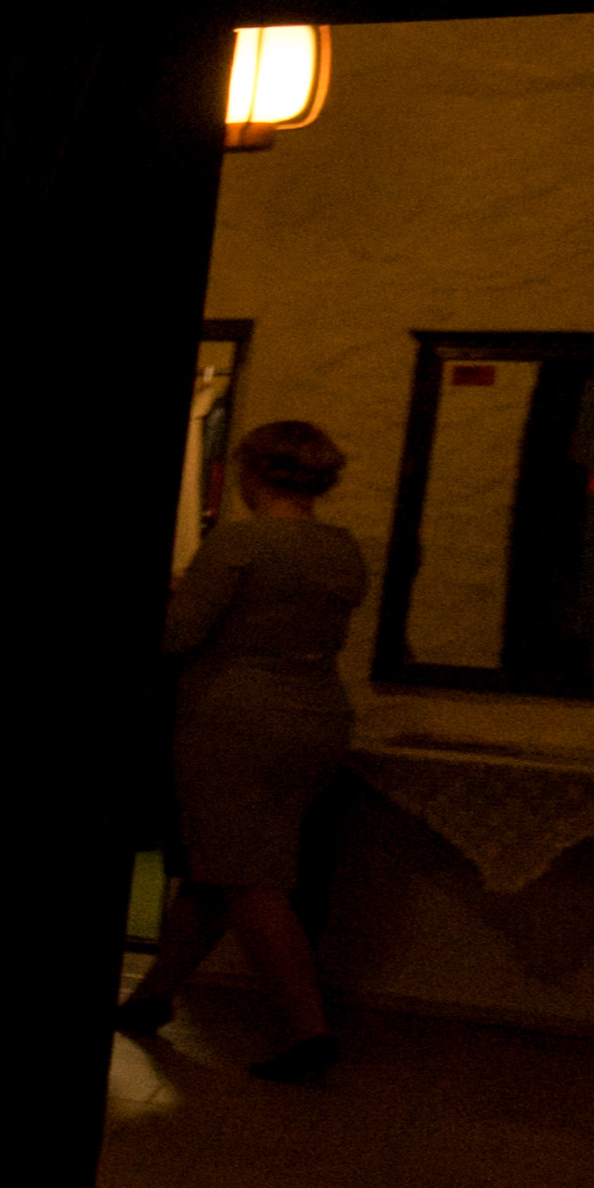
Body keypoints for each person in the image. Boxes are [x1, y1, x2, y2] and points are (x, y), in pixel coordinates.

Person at [120, 421, 369, 1081]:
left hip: (237, 718)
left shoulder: (240, 541)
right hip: (319, 714)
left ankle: (309, 1033)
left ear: (250, 472)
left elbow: (177, 637)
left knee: (250, 878)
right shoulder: (341, 548)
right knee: (222, 865)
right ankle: (152, 997)